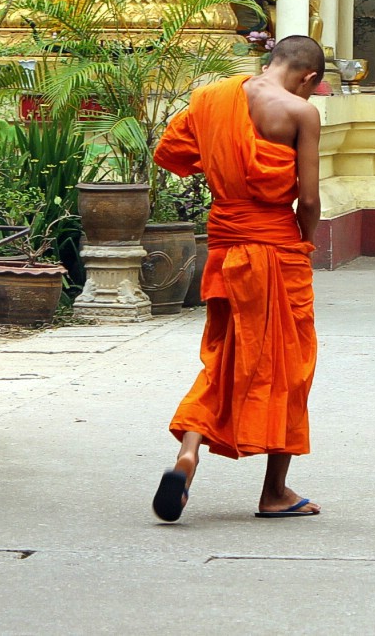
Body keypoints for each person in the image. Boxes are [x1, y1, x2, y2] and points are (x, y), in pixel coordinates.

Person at [150, 36, 325, 522]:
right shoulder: (300, 113)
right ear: (308, 77)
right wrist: (303, 244)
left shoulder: (211, 98)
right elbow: (307, 201)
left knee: (224, 356)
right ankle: (275, 491)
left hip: (225, 244)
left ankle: (188, 454)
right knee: (290, 365)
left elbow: (174, 153)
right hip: (275, 246)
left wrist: (227, 164)